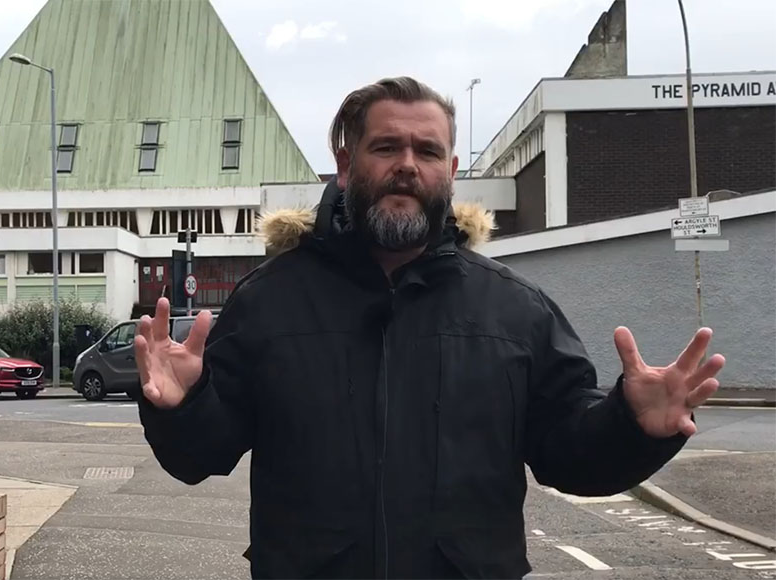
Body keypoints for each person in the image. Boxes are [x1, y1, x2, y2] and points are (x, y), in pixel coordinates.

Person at [135, 76, 726, 579]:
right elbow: (199, 456)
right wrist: (180, 407)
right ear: (346, 164)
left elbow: (568, 455)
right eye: (386, 147)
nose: (407, 167)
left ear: (452, 169)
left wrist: (633, 426)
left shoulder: (515, 310)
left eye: (427, 151)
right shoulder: (270, 302)